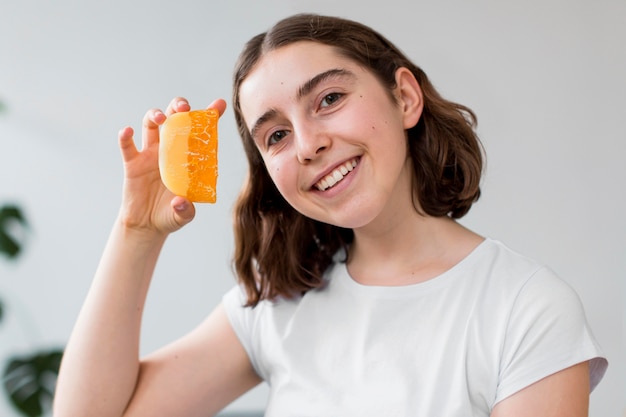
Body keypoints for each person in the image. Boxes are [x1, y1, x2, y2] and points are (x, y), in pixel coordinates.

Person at [54, 13, 607, 417]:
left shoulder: (526, 309)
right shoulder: (280, 302)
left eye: (328, 99)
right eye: (276, 134)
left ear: (405, 97)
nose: (308, 144)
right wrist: (136, 231)